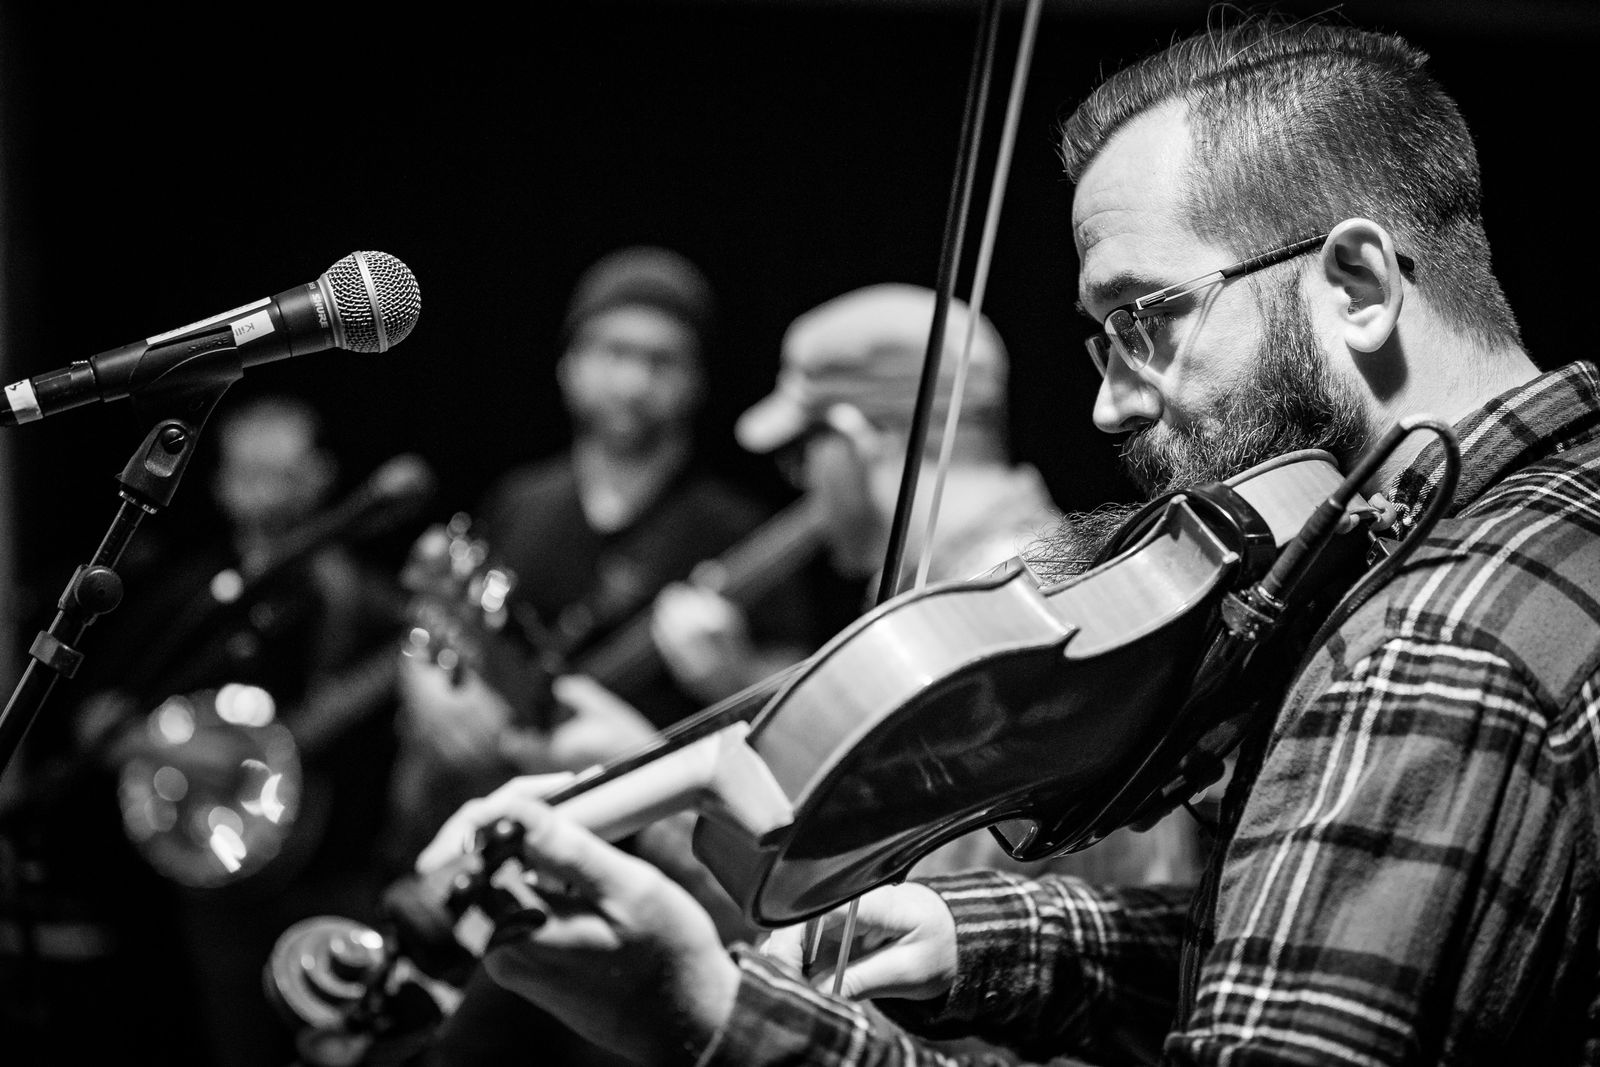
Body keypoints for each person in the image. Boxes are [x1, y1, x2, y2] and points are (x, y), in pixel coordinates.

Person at [411, 12, 1600, 1065]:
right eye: (1100, 339)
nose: (1110, 406)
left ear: (1355, 285)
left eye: (1143, 318)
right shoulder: (1549, 517)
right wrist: (992, 937)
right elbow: (1272, 931)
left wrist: (707, 1011)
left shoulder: (1422, 647)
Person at [387, 248, 826, 1065]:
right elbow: (438, 623)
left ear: (695, 381)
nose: (633, 380)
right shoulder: (523, 500)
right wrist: (429, 690)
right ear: (569, 366)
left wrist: (728, 671)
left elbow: (799, 702)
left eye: (661, 360)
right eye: (614, 352)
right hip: (504, 856)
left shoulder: (732, 526)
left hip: (648, 884)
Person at [657, 280, 1204, 887]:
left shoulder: (983, 618)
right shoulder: (1017, 576)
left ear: (857, 435)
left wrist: (656, 808)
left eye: (802, 452)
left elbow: (883, 908)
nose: (803, 480)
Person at [4, 394, 412, 1067]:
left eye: (282, 473)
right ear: (220, 483)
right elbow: (99, 721)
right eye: (248, 473)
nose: (263, 493)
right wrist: (186, 750)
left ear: (321, 476)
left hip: (339, 872)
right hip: (219, 875)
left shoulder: (362, 597)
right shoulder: (190, 597)